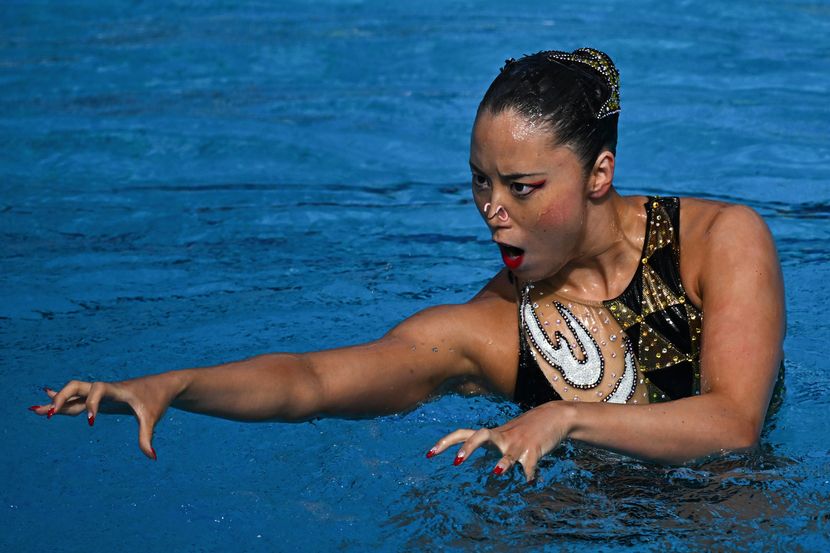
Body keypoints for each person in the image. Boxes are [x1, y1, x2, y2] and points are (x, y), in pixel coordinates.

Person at [29, 48, 785, 481]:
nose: (493, 209)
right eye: (481, 182)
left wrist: (564, 416)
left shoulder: (717, 242)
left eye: (522, 187)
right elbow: (313, 380)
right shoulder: (488, 332)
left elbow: (734, 421)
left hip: (730, 507)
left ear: (598, 174)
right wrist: (176, 383)